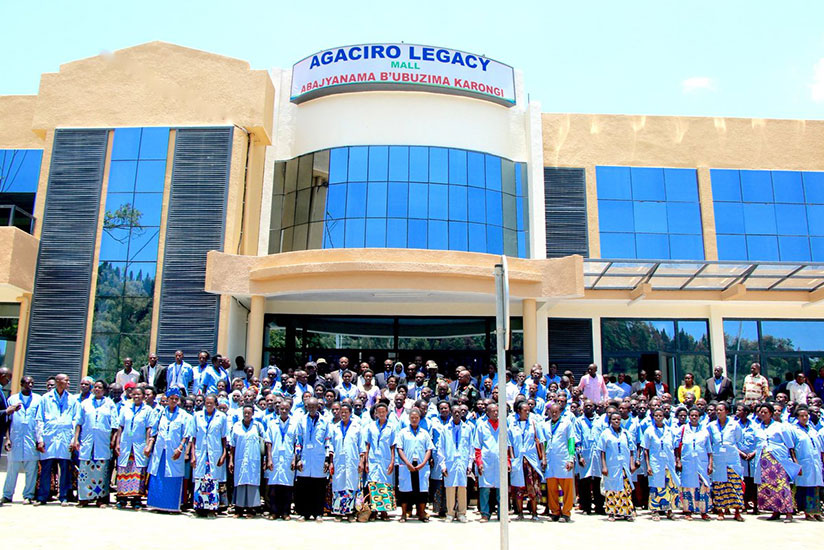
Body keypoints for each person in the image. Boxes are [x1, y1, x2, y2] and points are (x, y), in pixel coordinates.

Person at [35, 373, 80, 506]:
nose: (68, 383)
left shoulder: (72, 400)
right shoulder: (45, 398)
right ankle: (42, 496)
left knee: (65, 468)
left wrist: (73, 439)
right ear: (58, 382)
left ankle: (64, 496)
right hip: (49, 436)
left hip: (65, 437)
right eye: (66, 381)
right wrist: (40, 439)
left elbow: (75, 421)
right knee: (46, 468)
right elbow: (39, 420)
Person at [72, 379, 117, 507]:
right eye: (95, 387)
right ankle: (84, 498)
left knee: (101, 471)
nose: (97, 389)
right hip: (87, 441)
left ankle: (100, 499)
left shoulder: (109, 404)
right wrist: (76, 440)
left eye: (100, 387)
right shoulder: (85, 404)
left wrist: (113, 440)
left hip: (102, 442)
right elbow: (79, 423)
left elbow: (114, 425)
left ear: (104, 390)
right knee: (85, 471)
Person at [146, 388, 192, 512]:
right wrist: (149, 444)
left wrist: (180, 448)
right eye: (171, 398)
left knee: (173, 477)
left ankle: (171, 506)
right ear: (167, 399)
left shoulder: (184, 416)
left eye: (176, 399)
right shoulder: (160, 413)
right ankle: (156, 504)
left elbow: (186, 434)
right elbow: (153, 430)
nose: (173, 401)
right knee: (158, 476)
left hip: (174, 450)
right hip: (160, 450)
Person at [755, 403, 801, 522]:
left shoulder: (780, 426)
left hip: (778, 460)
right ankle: (776, 510)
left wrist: (794, 459)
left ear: (771, 413)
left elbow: (790, 445)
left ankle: (789, 513)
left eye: (765, 412)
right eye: (761, 412)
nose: (763, 414)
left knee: (782, 486)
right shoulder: (758, 427)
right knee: (769, 486)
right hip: (764, 460)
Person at [2, 376, 41, 504]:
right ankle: (7, 495)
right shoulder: (12, 399)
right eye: (27, 382)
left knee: (31, 469)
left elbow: (40, 421)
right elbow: (7, 421)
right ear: (21, 384)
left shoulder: (38, 399)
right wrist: (7, 439)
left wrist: (39, 439)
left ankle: (28, 495)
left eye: (32, 383)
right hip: (16, 437)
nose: (29, 385)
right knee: (12, 469)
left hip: (31, 438)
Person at [115, 386, 153, 509]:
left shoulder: (147, 410)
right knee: (123, 471)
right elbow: (120, 427)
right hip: (126, 445)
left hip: (139, 445)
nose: (136, 396)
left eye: (139, 394)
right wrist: (117, 443)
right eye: (134, 394)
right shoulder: (125, 409)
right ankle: (122, 499)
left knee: (138, 472)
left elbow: (149, 428)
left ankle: (136, 500)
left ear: (143, 396)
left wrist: (148, 445)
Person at [192, 394, 229, 516]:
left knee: (213, 481)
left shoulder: (221, 417)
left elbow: (224, 437)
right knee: (199, 481)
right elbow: (193, 437)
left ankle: (212, 509)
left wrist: (223, 454)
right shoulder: (197, 416)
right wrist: (193, 454)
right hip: (201, 452)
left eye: (211, 403)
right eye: (206, 403)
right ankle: (199, 508)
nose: (209, 405)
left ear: (215, 404)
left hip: (214, 453)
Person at [294, 397, 330, 522]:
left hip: (319, 459)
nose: (311, 409)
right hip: (305, 458)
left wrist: (327, 460)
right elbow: (298, 441)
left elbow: (327, 442)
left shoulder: (324, 422)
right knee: (304, 487)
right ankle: (304, 513)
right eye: (309, 406)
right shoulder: (301, 421)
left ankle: (318, 513)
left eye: (314, 406)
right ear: (306, 407)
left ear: (318, 407)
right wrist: (298, 458)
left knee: (318, 487)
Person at [641, 407, 680, 520]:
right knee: (656, 487)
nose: (658, 418)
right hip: (656, 463)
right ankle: (655, 510)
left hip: (668, 463)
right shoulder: (649, 431)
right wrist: (648, 465)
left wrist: (677, 460)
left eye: (660, 416)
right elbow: (646, 450)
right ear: (653, 417)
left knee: (670, 487)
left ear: (663, 417)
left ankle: (669, 510)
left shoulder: (670, 430)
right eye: (656, 416)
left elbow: (675, 447)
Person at [228, 404, 266, 517]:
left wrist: (265, 459)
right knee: (240, 482)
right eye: (245, 413)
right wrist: (231, 461)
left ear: (253, 413)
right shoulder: (237, 426)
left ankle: (251, 509)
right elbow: (232, 445)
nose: (247, 415)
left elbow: (265, 441)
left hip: (254, 459)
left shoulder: (258, 426)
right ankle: (239, 509)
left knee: (252, 482)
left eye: (249, 413)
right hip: (239, 458)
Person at [397, 407, 434, 522]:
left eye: (416, 418)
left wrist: (423, 463)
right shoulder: (403, 433)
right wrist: (407, 463)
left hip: (421, 465)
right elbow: (399, 448)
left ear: (419, 419)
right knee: (405, 490)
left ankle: (421, 514)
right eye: (412, 418)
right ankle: (404, 514)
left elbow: (429, 449)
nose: (414, 420)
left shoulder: (425, 433)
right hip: (407, 464)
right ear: (409, 418)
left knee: (421, 491)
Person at [709, 402, 745, 521]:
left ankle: (737, 512)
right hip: (718, 458)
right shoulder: (711, 426)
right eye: (717, 410)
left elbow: (739, 439)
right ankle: (720, 511)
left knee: (734, 485)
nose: (718, 412)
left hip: (731, 458)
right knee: (719, 486)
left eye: (721, 410)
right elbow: (709, 441)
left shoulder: (734, 425)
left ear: (727, 411)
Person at [474, 403, 509, 523]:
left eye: (497, 411)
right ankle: (485, 514)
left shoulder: (504, 426)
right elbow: (477, 446)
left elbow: (508, 445)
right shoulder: (482, 426)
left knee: (501, 489)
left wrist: (508, 461)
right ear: (487, 413)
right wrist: (479, 462)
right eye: (493, 411)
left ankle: (502, 514)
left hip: (501, 460)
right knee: (485, 489)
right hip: (486, 461)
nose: (495, 413)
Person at [438, 403, 473, 522]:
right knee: (450, 488)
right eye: (455, 412)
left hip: (462, 461)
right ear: (451, 414)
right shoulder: (445, 429)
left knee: (462, 487)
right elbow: (441, 448)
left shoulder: (467, 428)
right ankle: (450, 513)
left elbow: (471, 447)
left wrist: (470, 464)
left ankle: (462, 513)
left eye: (459, 412)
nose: (457, 414)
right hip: (450, 462)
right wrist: (442, 465)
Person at [598, 411, 636, 521]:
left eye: (618, 419)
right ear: (610, 420)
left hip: (624, 465)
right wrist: (604, 466)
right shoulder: (605, 434)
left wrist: (632, 463)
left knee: (625, 489)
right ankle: (611, 512)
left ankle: (627, 512)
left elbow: (632, 449)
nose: (616, 421)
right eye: (614, 419)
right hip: (611, 465)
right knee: (611, 488)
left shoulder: (625, 433)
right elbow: (602, 451)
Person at [328, 402, 363, 520]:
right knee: (338, 485)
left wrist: (361, 461)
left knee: (351, 485)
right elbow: (331, 446)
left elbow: (361, 447)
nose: (343, 414)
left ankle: (350, 513)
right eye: (341, 412)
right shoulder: (335, 427)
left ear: (350, 413)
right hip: (338, 461)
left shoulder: (357, 427)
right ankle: (338, 512)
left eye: (346, 412)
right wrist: (331, 462)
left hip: (352, 461)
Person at [264, 399, 298, 520]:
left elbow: (296, 444)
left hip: (288, 459)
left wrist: (294, 459)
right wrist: (269, 459)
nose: (283, 411)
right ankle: (274, 512)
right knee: (274, 488)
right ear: (278, 410)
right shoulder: (273, 424)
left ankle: (285, 512)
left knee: (287, 488)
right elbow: (268, 443)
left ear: (289, 410)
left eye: (286, 409)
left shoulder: (294, 425)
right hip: (275, 458)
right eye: (281, 409)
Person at [677, 407, 713, 520]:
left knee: (703, 486)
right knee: (688, 487)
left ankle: (703, 511)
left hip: (701, 462)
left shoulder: (704, 430)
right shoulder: (683, 429)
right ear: (689, 416)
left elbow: (709, 449)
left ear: (699, 417)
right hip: (687, 462)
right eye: (691, 415)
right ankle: (688, 511)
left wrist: (710, 464)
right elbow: (676, 446)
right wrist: (678, 460)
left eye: (696, 416)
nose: (693, 417)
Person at [363, 401, 397, 520]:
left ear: (387, 412)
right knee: (373, 484)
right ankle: (374, 511)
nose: (381, 414)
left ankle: (384, 511)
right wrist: (366, 461)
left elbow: (393, 446)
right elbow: (367, 444)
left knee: (385, 484)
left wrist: (392, 461)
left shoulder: (392, 427)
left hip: (385, 459)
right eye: (379, 412)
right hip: (373, 459)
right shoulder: (371, 426)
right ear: (376, 413)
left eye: (384, 412)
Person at [542, 403, 575, 522]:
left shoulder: (567, 423)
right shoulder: (545, 425)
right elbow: (544, 443)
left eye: (556, 412)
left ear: (560, 412)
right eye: (552, 412)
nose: (554, 414)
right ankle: (555, 511)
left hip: (563, 459)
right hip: (551, 460)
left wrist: (571, 458)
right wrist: (544, 458)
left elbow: (571, 440)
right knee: (552, 488)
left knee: (567, 488)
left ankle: (566, 512)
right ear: (549, 412)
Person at [791, 405, 823, 521]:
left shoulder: (812, 429)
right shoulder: (794, 430)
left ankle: (816, 511)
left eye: (806, 415)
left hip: (815, 462)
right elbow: (792, 448)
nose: (804, 418)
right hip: (804, 462)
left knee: (815, 487)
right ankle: (807, 512)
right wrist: (795, 462)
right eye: (802, 416)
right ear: (797, 417)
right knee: (805, 487)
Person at [576, 399, 604, 515]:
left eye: (590, 405)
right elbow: (577, 439)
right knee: (584, 481)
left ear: (594, 407)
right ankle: (586, 506)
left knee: (598, 481)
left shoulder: (600, 420)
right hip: (585, 454)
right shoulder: (579, 421)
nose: (588, 408)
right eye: (586, 406)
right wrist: (580, 455)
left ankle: (599, 506)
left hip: (597, 453)